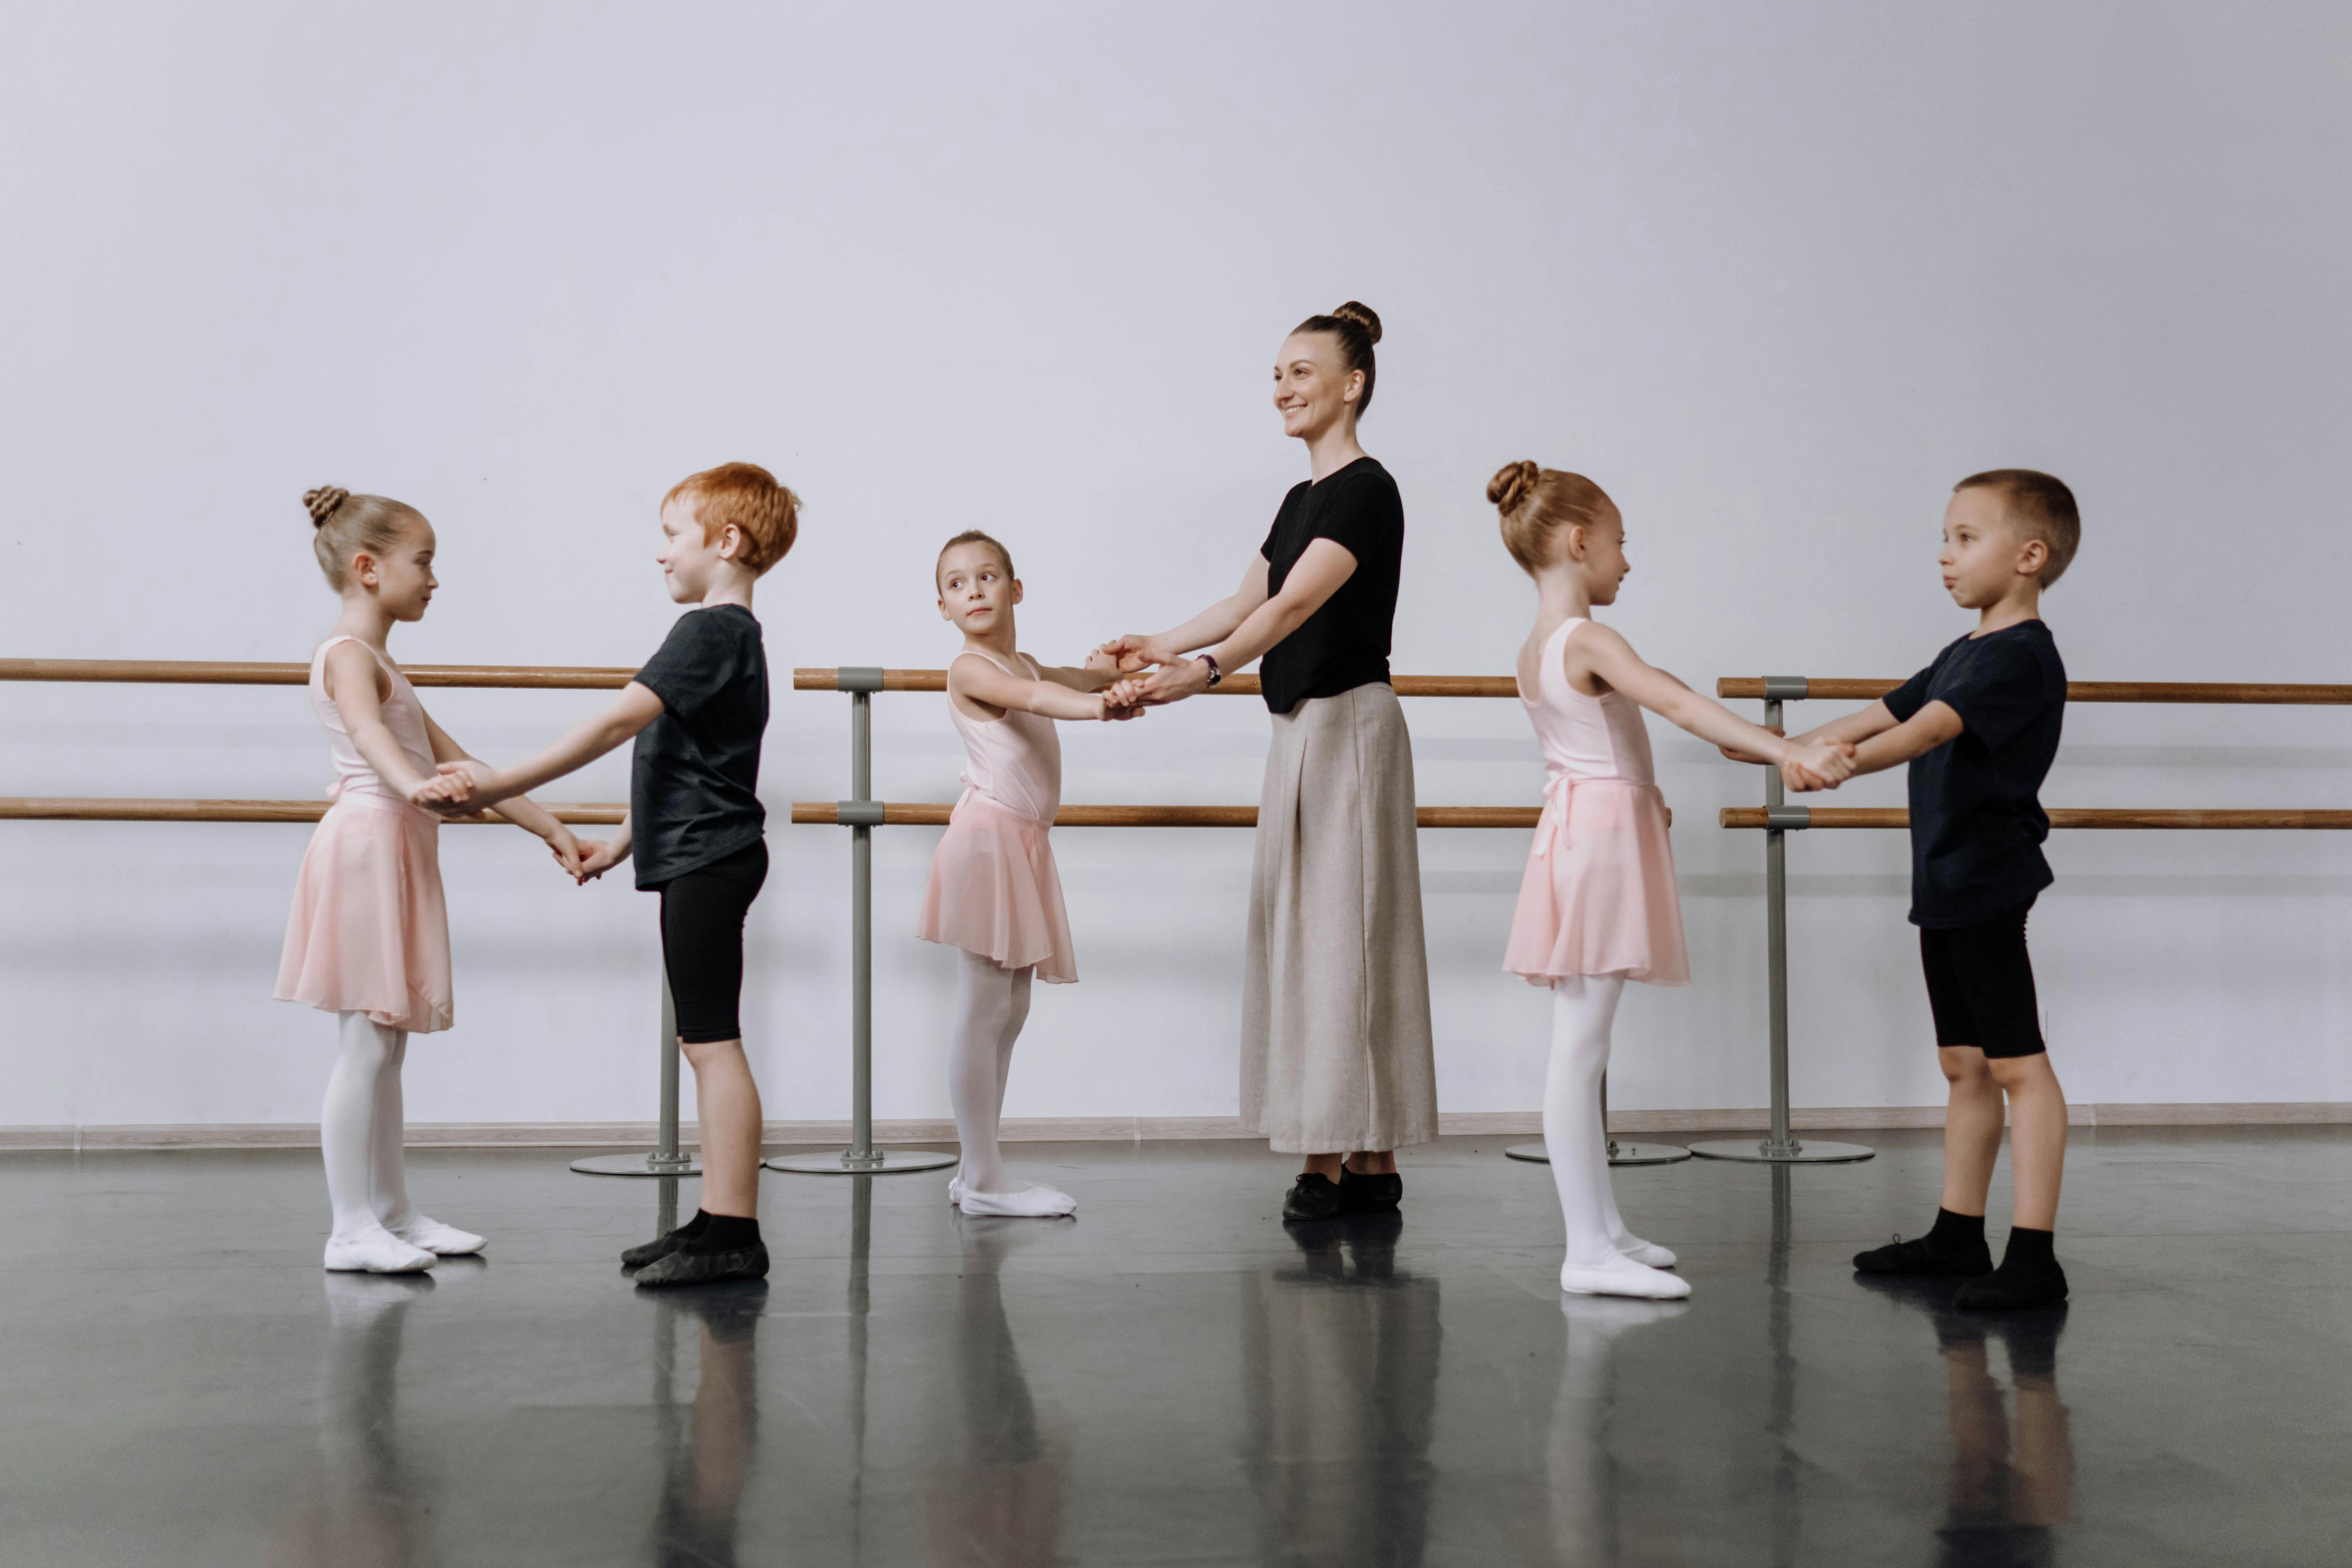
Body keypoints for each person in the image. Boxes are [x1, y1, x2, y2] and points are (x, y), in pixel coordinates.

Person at [1488, 462, 1855, 1298]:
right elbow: (1677, 706)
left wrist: (1764, 744)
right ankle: (1586, 1251)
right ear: (1580, 542)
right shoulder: (1589, 640)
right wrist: (1784, 750)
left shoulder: (1537, 647)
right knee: (1579, 1048)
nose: (1628, 560)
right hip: (1598, 837)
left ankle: (1605, 1229)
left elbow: (1679, 707)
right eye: (1621, 543)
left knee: (1587, 1043)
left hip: (1585, 832)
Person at [1103, 302, 1435, 1223]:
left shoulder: (1369, 491)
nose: (1283, 389)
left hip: (1350, 728)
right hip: (1299, 730)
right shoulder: (1299, 501)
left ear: (1352, 384)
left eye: (1301, 372)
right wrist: (1157, 644)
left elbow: (1291, 609)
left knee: (1347, 938)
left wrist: (1206, 670)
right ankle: (1369, 1156)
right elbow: (1246, 599)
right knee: (1314, 935)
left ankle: (1333, 1156)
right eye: (1277, 375)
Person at [428, 462, 796, 1288]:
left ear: (726, 541)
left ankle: (736, 1232)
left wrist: (497, 784)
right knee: (702, 1043)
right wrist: (625, 843)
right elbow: (688, 757)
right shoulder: (729, 635)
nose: (661, 553)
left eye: (672, 535)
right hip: (701, 851)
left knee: (713, 1044)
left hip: (709, 857)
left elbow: (614, 724)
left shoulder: (710, 631)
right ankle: (716, 1217)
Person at [1782, 470, 2079, 1312]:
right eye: (1945, 539)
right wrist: (1776, 746)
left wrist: (1833, 768)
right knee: (1964, 1063)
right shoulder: (1962, 653)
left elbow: (1921, 733)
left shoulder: (2021, 657)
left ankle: (2035, 1257)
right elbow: (1877, 714)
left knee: (2018, 1066)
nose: (1945, 556)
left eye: (1965, 538)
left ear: (2029, 556)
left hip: (1987, 880)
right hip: (1946, 879)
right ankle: (1958, 1234)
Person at [276, 486, 584, 1274]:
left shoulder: (383, 662)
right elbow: (367, 732)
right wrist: (411, 785)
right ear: (368, 568)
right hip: (368, 844)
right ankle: (350, 1228)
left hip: (397, 843)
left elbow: (465, 765)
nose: (435, 579)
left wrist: (549, 828)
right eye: (425, 562)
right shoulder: (347, 655)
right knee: (366, 1043)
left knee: (388, 1047)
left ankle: (392, 1212)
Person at [919, 530, 1139, 1217]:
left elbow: (1062, 680)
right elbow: (1037, 699)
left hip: (1020, 844)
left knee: (1009, 1011)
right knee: (986, 1010)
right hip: (988, 843)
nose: (974, 591)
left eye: (987, 577)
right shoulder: (971, 669)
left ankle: (978, 1168)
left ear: (1015, 589)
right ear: (943, 607)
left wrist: (1111, 673)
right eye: (957, 584)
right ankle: (983, 1180)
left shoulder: (1024, 662)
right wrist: (1101, 707)